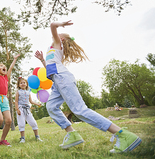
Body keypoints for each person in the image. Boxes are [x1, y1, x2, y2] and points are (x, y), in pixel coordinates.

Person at [34, 21, 142, 153]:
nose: (54, 35)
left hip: (63, 78)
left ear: (61, 39)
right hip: (57, 80)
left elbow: (52, 25)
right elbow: (50, 69)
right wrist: (42, 61)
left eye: (58, 34)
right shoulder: (53, 50)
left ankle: (123, 134)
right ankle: (72, 134)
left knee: (79, 110)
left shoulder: (58, 44)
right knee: (51, 106)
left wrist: (60, 24)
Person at [0, 50, 20, 147]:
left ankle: (2, 140)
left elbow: (10, 68)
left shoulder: (6, 77)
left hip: (4, 99)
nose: (4, 67)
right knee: (0, 120)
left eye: (4, 67)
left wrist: (14, 59)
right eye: (1, 66)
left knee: (9, 121)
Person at [15, 77, 43, 143]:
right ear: (19, 85)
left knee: (33, 122)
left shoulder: (28, 92)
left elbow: (31, 101)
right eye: (21, 83)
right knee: (21, 123)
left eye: (24, 82)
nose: (22, 84)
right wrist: (17, 109)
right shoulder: (18, 92)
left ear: (26, 84)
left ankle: (37, 137)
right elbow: (16, 101)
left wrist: (37, 104)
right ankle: (22, 138)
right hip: (21, 108)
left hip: (27, 109)